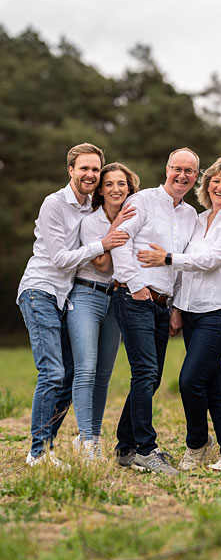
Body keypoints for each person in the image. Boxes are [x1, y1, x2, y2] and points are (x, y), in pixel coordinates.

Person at [17, 143, 129, 466]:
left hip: (64, 297)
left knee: (69, 376)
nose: (90, 174)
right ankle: (38, 452)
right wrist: (102, 244)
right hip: (40, 290)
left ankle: (48, 446)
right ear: (71, 170)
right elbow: (60, 259)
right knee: (53, 372)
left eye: (95, 169)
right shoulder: (54, 204)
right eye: (84, 168)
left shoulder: (90, 207)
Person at [138, 155, 221, 471]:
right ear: (206, 185)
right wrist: (176, 308)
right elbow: (186, 272)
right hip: (192, 313)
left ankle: (197, 443)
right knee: (214, 386)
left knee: (189, 381)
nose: (220, 187)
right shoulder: (199, 220)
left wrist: (167, 258)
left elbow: (210, 260)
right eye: (215, 181)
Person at [111, 148, 199, 475]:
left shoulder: (190, 215)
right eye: (177, 168)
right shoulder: (143, 200)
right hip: (133, 296)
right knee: (146, 371)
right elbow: (120, 241)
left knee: (153, 376)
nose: (182, 175)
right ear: (167, 169)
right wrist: (136, 285)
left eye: (189, 171)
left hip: (163, 303)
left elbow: (180, 264)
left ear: (195, 177)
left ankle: (126, 447)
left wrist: (175, 307)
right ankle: (146, 451)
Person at [67, 162, 139, 461]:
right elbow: (102, 264)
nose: (115, 189)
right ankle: (86, 440)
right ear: (100, 190)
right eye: (108, 184)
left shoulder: (135, 217)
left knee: (104, 374)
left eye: (121, 184)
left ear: (129, 188)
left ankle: (93, 437)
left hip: (116, 300)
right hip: (86, 296)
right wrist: (116, 226)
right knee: (86, 369)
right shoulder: (91, 221)